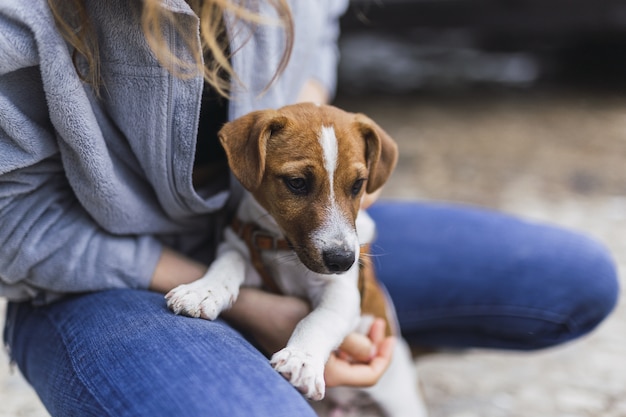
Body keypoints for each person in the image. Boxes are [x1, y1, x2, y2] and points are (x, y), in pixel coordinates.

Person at [0, 1, 619, 416]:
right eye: (297, 182)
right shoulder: (23, 19)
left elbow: (317, 41)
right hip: (98, 278)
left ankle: (370, 344)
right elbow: (14, 228)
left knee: (572, 277)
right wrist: (250, 307)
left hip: (281, 243)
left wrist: (336, 156)